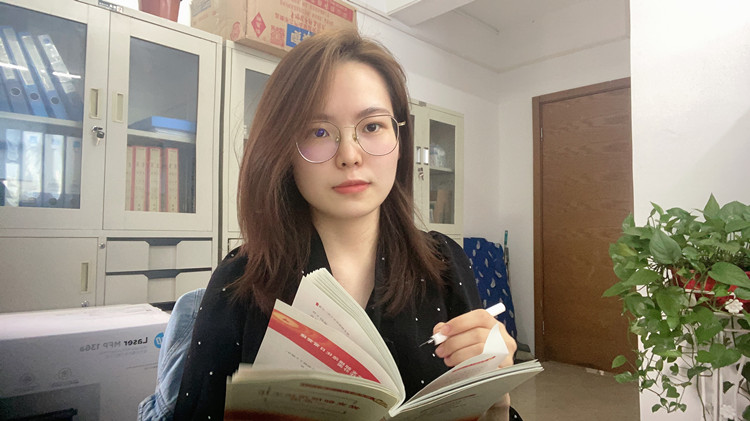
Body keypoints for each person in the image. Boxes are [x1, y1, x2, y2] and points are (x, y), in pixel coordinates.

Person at [169, 27, 517, 420]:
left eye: (372, 126)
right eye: (319, 131)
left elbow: (482, 402)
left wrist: (497, 396)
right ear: (283, 150)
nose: (350, 155)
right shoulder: (241, 281)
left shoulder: (445, 263)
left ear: (400, 141)